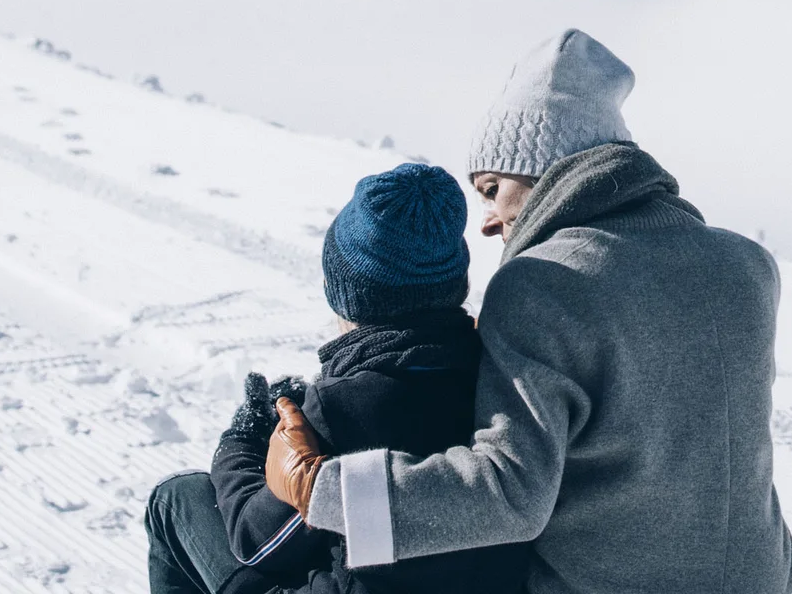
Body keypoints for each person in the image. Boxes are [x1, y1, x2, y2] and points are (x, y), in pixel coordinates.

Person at [264, 29, 792, 594]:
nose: (489, 220)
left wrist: (324, 490)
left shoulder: (542, 283)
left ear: (544, 169)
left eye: (492, 188)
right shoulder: (747, 264)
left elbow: (509, 493)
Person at [145, 163, 529, 594]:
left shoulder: (340, 407)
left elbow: (255, 542)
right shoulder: (502, 375)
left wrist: (243, 439)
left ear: (346, 291)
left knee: (176, 498)